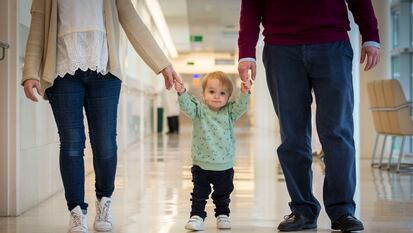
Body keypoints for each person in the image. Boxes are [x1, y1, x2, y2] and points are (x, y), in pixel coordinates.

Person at [22, 0, 181, 232]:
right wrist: (30, 71)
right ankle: (76, 211)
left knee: (105, 143)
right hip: (62, 70)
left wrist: (162, 64)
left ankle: (104, 201)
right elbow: (38, 23)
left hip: (105, 69)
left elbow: (131, 19)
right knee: (71, 144)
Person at [238, 0, 380, 232]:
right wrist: (246, 52)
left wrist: (371, 35)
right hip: (281, 48)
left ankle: (343, 210)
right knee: (292, 135)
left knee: (338, 132)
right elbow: (251, 6)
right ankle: (302, 210)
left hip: (332, 43)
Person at [174, 71, 251, 231]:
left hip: (224, 164)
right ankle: (197, 216)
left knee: (223, 194)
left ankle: (223, 215)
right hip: (201, 163)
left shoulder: (230, 112)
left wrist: (245, 93)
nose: (217, 96)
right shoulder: (199, 110)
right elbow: (186, 107)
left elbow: (242, 107)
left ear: (229, 97)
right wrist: (181, 92)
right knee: (199, 193)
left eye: (222, 93)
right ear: (203, 94)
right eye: (212, 92)